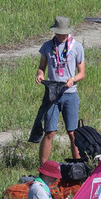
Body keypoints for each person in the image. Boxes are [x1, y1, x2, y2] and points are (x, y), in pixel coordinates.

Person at [35, 17, 85, 164]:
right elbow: (41, 67)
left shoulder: (77, 47)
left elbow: (82, 73)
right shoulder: (47, 46)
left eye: (63, 33)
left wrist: (73, 79)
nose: (61, 36)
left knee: (73, 132)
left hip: (70, 94)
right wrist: (40, 74)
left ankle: (78, 166)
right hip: (52, 94)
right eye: (58, 33)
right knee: (49, 132)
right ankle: (42, 167)